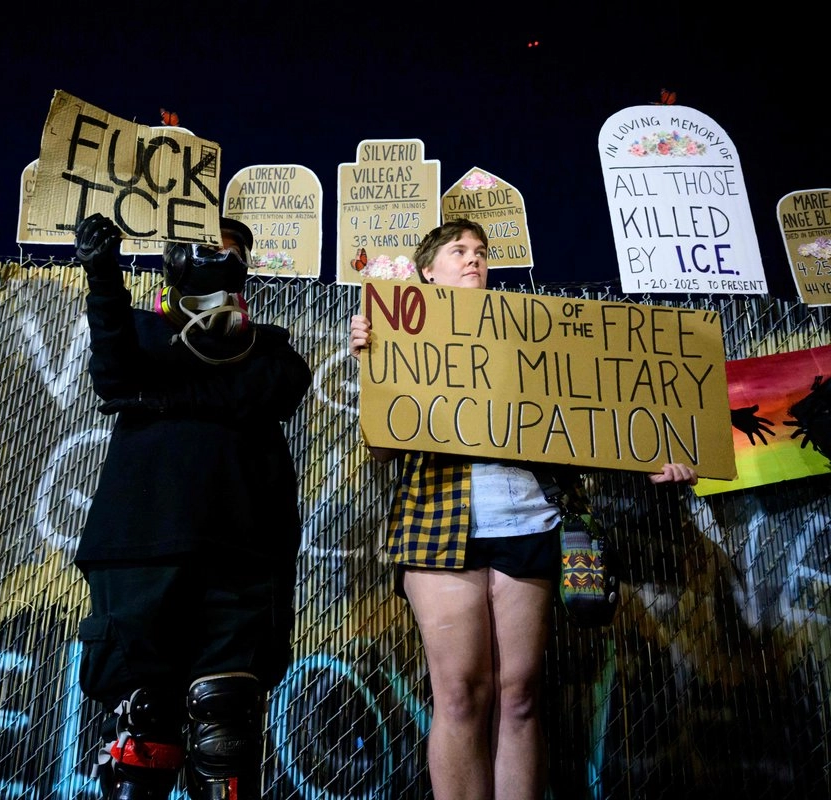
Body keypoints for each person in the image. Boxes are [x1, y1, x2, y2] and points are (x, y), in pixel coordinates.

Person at [348, 218, 698, 800]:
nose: (473, 260)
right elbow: (382, 446)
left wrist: (656, 456)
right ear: (427, 271)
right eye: (458, 251)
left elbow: (594, 415)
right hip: (439, 525)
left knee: (521, 692)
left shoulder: (532, 335)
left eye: (481, 252)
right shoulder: (395, 331)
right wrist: (374, 358)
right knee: (460, 692)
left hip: (529, 521)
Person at [72, 211, 312, 800]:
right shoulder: (142, 332)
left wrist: (163, 396)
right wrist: (103, 275)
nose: (218, 260)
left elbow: (276, 389)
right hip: (141, 544)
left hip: (244, 552)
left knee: (225, 723)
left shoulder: (268, 350)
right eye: (204, 249)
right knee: (142, 716)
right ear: (175, 260)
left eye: (231, 253)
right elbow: (112, 371)